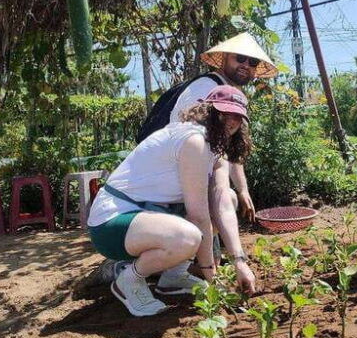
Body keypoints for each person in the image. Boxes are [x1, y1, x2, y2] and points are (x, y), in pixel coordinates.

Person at [117, 32, 277, 295]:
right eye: (240, 58)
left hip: (190, 170)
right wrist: (213, 275)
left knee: (225, 199)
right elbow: (198, 148)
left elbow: (225, 150)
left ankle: (180, 271)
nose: (246, 66)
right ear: (224, 58)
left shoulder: (231, 95)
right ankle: (177, 270)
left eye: (252, 62)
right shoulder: (205, 89)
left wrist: (242, 188)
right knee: (210, 207)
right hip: (173, 175)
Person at [87, 85, 257, 316]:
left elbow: (222, 205)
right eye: (224, 113)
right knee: (188, 236)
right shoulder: (194, 141)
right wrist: (213, 280)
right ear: (210, 111)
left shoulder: (216, 148)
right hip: (112, 223)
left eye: (237, 116)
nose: (231, 121)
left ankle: (173, 277)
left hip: (148, 218)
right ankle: (129, 279)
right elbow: (198, 216)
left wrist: (239, 261)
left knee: (230, 197)